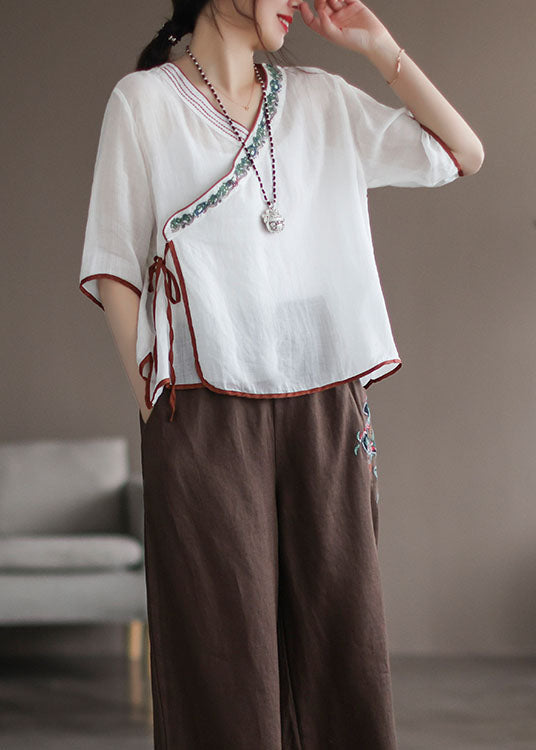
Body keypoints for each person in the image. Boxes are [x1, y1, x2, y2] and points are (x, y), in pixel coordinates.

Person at [78, 0, 484, 746]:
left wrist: (381, 48)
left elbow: (462, 153)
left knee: (344, 633)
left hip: (326, 402)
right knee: (218, 645)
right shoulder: (144, 102)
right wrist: (154, 402)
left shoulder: (321, 100)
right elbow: (114, 265)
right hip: (201, 406)